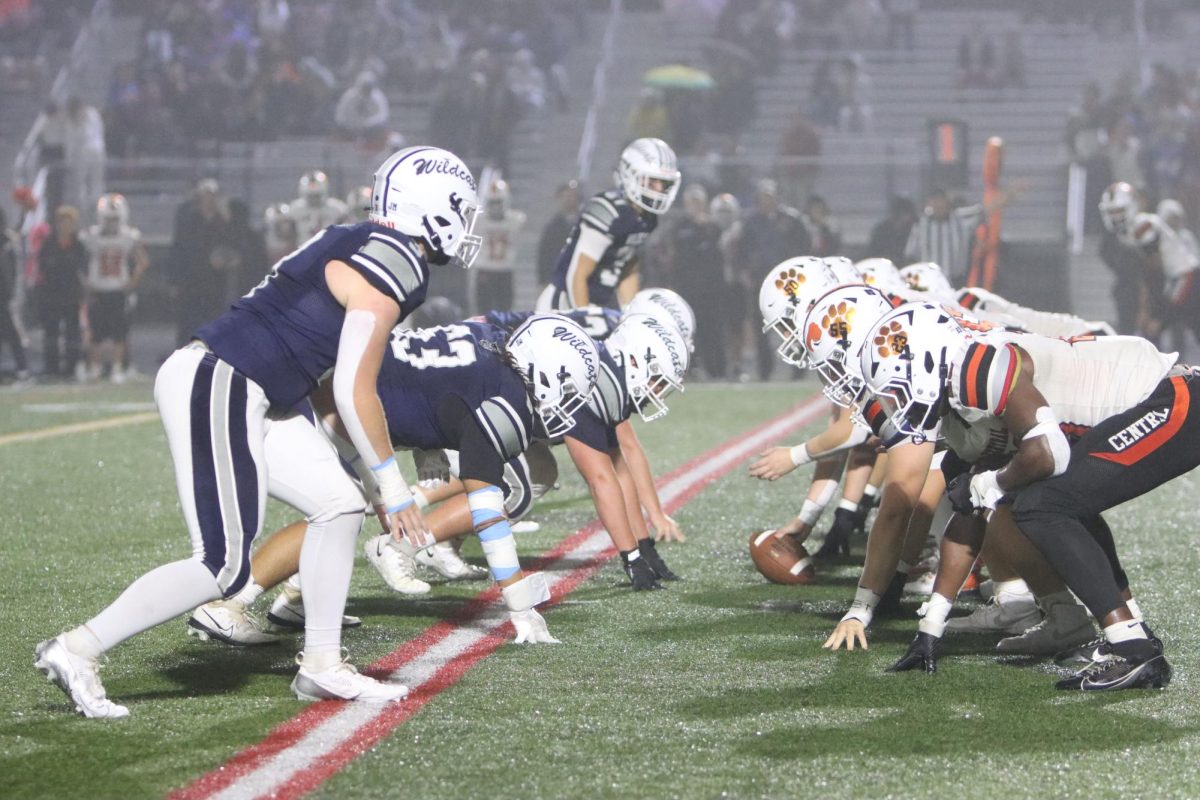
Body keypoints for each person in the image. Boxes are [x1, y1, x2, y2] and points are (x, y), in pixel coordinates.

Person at [34, 146, 487, 718]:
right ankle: (78, 649)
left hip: (252, 386)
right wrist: (394, 488)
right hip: (222, 376)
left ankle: (322, 665)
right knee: (221, 563)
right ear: (434, 209)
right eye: (460, 210)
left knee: (339, 502)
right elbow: (352, 388)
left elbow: (322, 379)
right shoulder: (396, 258)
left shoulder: (362, 239)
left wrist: (372, 480)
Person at [187, 314, 599, 645]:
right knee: (341, 507)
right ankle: (228, 604)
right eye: (566, 388)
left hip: (334, 383)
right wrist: (519, 603)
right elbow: (488, 515)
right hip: (332, 400)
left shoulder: (488, 341)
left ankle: (295, 599)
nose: (567, 404)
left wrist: (428, 445)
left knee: (350, 506)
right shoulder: (504, 400)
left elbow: (429, 378)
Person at [862, 303, 1193, 691]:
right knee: (1046, 500)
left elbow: (1047, 453)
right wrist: (930, 627)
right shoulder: (959, 403)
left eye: (900, 384)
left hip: (1169, 397)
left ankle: (1137, 652)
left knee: (1042, 505)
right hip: (1156, 401)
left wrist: (992, 484)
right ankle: (1134, 634)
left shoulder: (977, 369)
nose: (898, 402)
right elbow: (968, 513)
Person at [537, 138, 680, 311]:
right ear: (629, 175)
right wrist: (585, 317)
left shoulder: (643, 218)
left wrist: (629, 311)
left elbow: (627, 268)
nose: (658, 190)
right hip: (566, 302)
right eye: (651, 182)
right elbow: (578, 275)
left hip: (603, 300)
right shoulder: (607, 211)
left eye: (663, 184)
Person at [741, 179, 811, 379]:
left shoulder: (793, 220)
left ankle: (798, 367)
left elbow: (805, 246)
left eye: (770, 197)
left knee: (793, 324)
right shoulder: (752, 223)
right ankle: (765, 370)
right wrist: (746, 271)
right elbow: (742, 250)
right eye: (763, 197)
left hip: (789, 283)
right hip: (761, 281)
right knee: (761, 325)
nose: (766, 201)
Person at [79, 194, 150, 383]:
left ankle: (117, 368)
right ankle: (96, 367)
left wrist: (132, 283)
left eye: (114, 219)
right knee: (96, 332)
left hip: (118, 289)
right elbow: (77, 262)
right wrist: (85, 282)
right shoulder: (91, 236)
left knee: (119, 332)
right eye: (108, 218)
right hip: (98, 289)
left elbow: (142, 262)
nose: (111, 223)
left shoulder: (129, 236)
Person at [905, 185, 1021, 287]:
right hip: (928, 282)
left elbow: (987, 208)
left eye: (941, 200)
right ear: (929, 203)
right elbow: (911, 255)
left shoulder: (960, 218)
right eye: (934, 201)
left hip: (956, 282)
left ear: (947, 201)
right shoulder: (920, 224)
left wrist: (1010, 193)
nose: (938, 204)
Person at [664, 184, 723, 377]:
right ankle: (690, 367)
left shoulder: (713, 227)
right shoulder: (679, 227)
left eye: (698, 202)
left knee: (712, 328)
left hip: (711, 287)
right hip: (687, 286)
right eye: (691, 202)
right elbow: (674, 257)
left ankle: (716, 368)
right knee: (689, 328)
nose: (695, 206)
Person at [169, 179, 229, 346]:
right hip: (190, 280)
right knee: (187, 322)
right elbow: (179, 248)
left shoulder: (223, 221)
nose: (210, 200)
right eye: (206, 196)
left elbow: (234, 245)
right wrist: (174, 280)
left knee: (214, 320)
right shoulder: (188, 219)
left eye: (213, 196)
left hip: (214, 280)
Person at [36, 205, 87, 380]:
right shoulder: (48, 244)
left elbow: (82, 269)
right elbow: (42, 268)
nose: (65, 226)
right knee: (51, 331)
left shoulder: (78, 245)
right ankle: (51, 367)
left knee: (72, 332)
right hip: (51, 295)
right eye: (62, 222)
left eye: (69, 222)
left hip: (71, 295)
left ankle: (71, 367)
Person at [470, 177, 526, 313]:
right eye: (493, 202)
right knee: (483, 313)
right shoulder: (479, 220)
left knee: (505, 312)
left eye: (498, 202)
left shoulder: (515, 220)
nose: (495, 206)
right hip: (485, 270)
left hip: (504, 272)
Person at [0, 207, 30, 381]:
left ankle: (23, 369)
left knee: (12, 332)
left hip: (4, 297)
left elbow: (13, 272)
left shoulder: (7, 243)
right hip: (6, 295)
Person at [536, 180, 581, 287]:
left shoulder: (586, 223)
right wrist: (543, 280)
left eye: (571, 196)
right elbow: (544, 255)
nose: (568, 199)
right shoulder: (552, 227)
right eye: (564, 196)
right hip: (558, 278)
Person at [287, 170, 349, 241]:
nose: (314, 199)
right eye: (311, 196)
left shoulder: (337, 209)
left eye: (316, 196)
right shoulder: (294, 210)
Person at [334, 71, 389, 145]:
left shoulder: (378, 97)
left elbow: (382, 116)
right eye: (364, 86)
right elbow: (340, 114)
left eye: (368, 87)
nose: (366, 89)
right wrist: (350, 124)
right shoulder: (349, 96)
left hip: (371, 129)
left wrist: (367, 124)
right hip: (349, 127)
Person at [867, 195, 918, 266]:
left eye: (908, 214)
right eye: (902, 213)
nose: (906, 218)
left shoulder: (915, 229)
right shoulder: (882, 230)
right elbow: (873, 253)